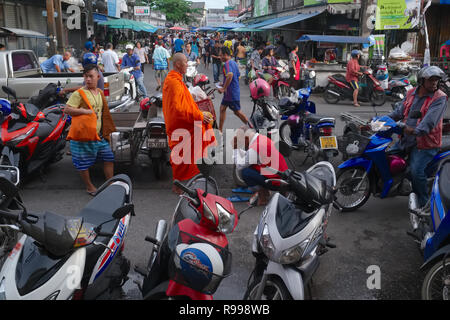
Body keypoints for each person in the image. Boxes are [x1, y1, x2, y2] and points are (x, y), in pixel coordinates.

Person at [387, 65, 448, 208]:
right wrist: (381, 120)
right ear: (421, 81)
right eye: (431, 80)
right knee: (386, 157)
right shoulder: (411, 93)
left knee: (416, 172)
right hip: (406, 139)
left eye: (436, 80)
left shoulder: (440, 98)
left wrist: (412, 130)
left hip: (425, 143)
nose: (434, 83)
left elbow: (428, 123)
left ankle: (424, 204)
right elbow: (398, 112)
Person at [162, 53, 215, 194]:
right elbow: (179, 109)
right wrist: (199, 115)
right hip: (179, 123)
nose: (187, 64)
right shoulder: (174, 82)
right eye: (185, 62)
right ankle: (178, 184)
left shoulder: (176, 79)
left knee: (201, 132)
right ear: (178, 64)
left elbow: (184, 103)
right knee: (183, 151)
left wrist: (198, 112)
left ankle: (191, 177)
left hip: (181, 121)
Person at [63, 64, 116, 196]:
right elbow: (67, 109)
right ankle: (89, 186)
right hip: (83, 136)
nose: (88, 79)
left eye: (91, 76)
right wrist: (83, 111)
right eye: (86, 76)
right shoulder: (79, 93)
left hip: (98, 135)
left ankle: (110, 183)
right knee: (83, 162)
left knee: (108, 157)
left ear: (98, 77)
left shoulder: (100, 93)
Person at [232, 127, 288, 206]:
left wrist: (235, 148)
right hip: (281, 176)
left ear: (246, 138)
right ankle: (266, 192)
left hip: (277, 181)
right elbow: (249, 155)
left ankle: (263, 196)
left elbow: (240, 166)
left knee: (245, 172)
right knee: (250, 166)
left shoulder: (257, 146)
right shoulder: (260, 138)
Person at [217, 46, 249, 132]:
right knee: (222, 108)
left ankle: (251, 126)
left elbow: (230, 75)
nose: (220, 57)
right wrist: (224, 83)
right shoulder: (233, 63)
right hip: (230, 93)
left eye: (221, 56)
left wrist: (223, 88)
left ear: (225, 55)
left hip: (231, 93)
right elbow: (237, 76)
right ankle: (220, 130)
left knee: (237, 112)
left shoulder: (227, 64)